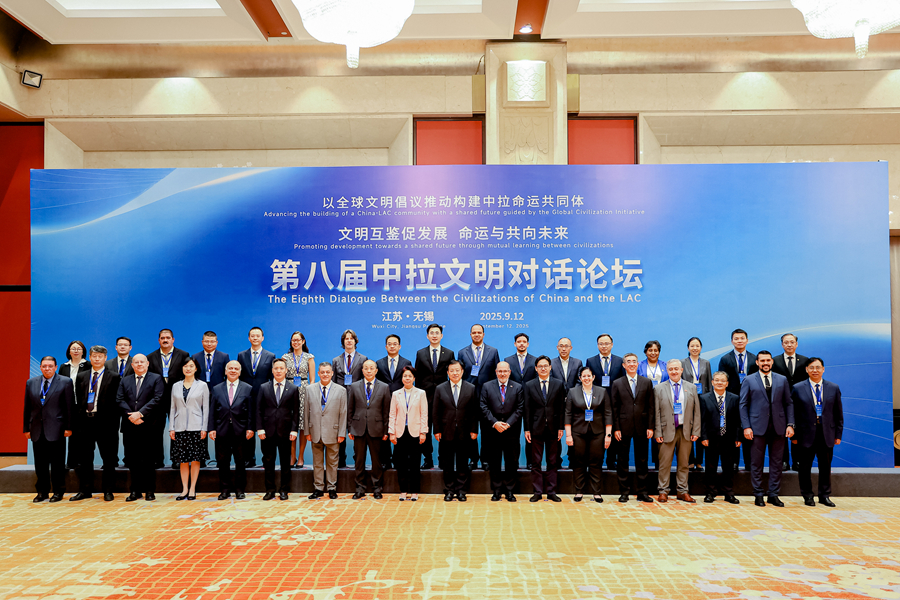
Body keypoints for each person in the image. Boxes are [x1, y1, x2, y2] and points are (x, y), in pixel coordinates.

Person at [739, 350, 794, 507]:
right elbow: (743, 405)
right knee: (756, 463)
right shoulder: (749, 380)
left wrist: (790, 424)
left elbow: (788, 403)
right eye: (762, 361)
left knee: (777, 463)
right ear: (757, 363)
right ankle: (758, 494)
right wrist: (746, 426)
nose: (765, 363)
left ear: (772, 362)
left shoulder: (782, 379)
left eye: (768, 360)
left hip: (779, 427)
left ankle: (773, 494)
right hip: (756, 428)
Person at [71, 345, 121, 502]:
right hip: (85, 422)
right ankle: (85, 490)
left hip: (106, 423)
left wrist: (113, 423)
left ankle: (108, 490)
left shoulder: (114, 376)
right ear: (90, 358)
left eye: (100, 356)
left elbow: (117, 402)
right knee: (85, 459)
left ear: (105, 358)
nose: (97, 359)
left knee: (108, 459)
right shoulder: (82, 376)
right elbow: (79, 400)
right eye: (94, 356)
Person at [791, 357, 842, 507]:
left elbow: (838, 413)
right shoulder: (798, 388)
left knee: (825, 467)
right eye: (812, 368)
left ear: (823, 369)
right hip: (805, 434)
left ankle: (824, 496)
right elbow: (793, 413)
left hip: (826, 434)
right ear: (806, 369)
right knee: (804, 467)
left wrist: (838, 434)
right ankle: (807, 496)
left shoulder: (833, 388)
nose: (815, 370)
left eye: (818, 367)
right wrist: (794, 435)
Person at [24, 356, 74, 502]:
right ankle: (42, 492)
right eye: (44, 366)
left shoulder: (65, 382)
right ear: (40, 367)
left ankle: (58, 491)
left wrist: (69, 427)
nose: (47, 369)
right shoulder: (31, 382)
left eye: (50, 366)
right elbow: (27, 407)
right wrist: (26, 428)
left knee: (58, 464)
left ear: (56, 367)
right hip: (37, 429)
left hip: (57, 429)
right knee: (40, 464)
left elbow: (69, 406)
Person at [116, 354, 164, 501]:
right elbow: (119, 399)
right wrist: (132, 416)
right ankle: (135, 491)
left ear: (147, 363)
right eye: (136, 362)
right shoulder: (125, 380)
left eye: (142, 362)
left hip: (149, 425)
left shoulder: (156, 378)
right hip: (130, 425)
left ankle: (149, 491)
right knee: (132, 460)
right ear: (132, 365)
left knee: (149, 460)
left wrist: (140, 414)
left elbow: (157, 399)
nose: (139, 364)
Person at [654, 359, 701, 503]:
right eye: (671, 369)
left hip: (685, 430)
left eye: (676, 369)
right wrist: (657, 432)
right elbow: (656, 412)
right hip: (666, 430)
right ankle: (663, 491)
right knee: (664, 463)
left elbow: (696, 411)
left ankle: (682, 491)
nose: (673, 371)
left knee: (684, 463)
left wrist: (696, 431)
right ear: (667, 371)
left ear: (681, 370)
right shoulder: (659, 388)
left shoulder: (691, 387)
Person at [610, 353, 655, 503]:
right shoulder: (617, 383)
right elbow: (614, 408)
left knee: (642, 460)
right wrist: (616, 428)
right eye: (628, 362)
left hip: (642, 426)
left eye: (634, 361)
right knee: (622, 460)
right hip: (623, 427)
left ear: (638, 364)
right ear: (624, 365)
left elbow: (651, 406)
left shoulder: (646, 382)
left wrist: (650, 426)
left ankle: (642, 492)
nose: (631, 364)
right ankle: (624, 492)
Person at [565, 366, 612, 503]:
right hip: (578, 432)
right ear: (580, 378)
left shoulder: (602, 391)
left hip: (598, 433)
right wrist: (568, 435)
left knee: (596, 462)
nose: (586, 378)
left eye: (589, 376)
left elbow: (608, 413)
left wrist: (608, 435)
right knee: (578, 461)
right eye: (583, 376)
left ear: (593, 377)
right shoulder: (573, 392)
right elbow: (568, 414)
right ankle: (579, 491)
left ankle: (597, 492)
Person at [433, 360, 478, 501]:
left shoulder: (470, 388)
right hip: (446, 431)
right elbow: (436, 411)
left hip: (465, 431)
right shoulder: (440, 388)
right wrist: (437, 430)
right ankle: (449, 490)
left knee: (462, 462)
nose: (455, 373)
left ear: (462, 371)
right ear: (447, 373)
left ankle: (461, 490)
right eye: (451, 370)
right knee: (447, 463)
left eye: (457, 370)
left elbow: (474, 412)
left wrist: (474, 429)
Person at [208, 360, 254, 500]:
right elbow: (212, 410)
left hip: (240, 430)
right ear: (225, 371)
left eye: (236, 369)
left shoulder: (247, 388)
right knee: (223, 461)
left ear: (240, 372)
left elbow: (250, 411)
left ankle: (239, 490)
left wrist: (250, 428)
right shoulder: (216, 389)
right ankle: (225, 490)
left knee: (240, 461)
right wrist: (211, 428)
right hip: (221, 430)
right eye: (230, 368)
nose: (233, 371)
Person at [457, 324, 500, 470]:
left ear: (483, 334)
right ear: (470, 334)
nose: (477, 334)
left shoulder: (493, 351)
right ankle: (473, 459)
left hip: (488, 397)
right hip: (469, 397)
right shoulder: (462, 352)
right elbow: (460, 375)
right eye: (474, 332)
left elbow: (496, 374)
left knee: (487, 430)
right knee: (470, 430)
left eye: (479, 332)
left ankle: (485, 459)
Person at [481, 361, 524, 502]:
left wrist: (508, 424)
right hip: (493, 431)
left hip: (511, 431)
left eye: (505, 371)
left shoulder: (517, 387)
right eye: (500, 371)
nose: (502, 373)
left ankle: (510, 491)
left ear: (509, 372)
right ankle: (497, 490)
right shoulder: (487, 386)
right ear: (496, 372)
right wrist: (495, 423)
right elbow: (483, 406)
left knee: (511, 462)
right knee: (495, 462)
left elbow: (520, 408)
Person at [523, 355, 565, 502]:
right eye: (540, 366)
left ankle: (552, 492)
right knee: (536, 462)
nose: (543, 368)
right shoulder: (529, 385)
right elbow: (527, 409)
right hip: (536, 428)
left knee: (552, 461)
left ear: (550, 367)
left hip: (554, 428)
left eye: (545, 366)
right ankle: (537, 492)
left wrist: (561, 427)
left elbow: (561, 408)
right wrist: (527, 429)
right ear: (536, 368)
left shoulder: (558, 384)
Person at [257, 358, 300, 500]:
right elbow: (259, 410)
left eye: (281, 368)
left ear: (286, 370)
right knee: (268, 461)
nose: (279, 371)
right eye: (276, 368)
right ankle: (270, 490)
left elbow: (296, 412)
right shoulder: (264, 387)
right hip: (267, 431)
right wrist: (260, 428)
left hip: (286, 431)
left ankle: (284, 490)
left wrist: (294, 430)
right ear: (272, 370)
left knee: (285, 462)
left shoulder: (293, 388)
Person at [347, 360, 391, 499]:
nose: (369, 371)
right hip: (358, 428)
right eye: (366, 368)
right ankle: (360, 488)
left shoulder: (384, 387)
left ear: (376, 371)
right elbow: (350, 409)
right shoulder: (354, 386)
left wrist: (385, 431)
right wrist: (350, 428)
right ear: (362, 370)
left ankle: (377, 488)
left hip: (377, 429)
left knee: (376, 461)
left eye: (371, 368)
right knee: (359, 460)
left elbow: (386, 411)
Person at [147, 329, 190, 468]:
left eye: (168, 337)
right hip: (157, 399)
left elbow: (186, 375)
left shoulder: (183, 355)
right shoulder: (151, 357)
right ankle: (157, 459)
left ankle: (176, 459)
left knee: (177, 429)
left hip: (177, 398)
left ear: (173, 339)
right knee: (156, 430)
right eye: (162, 338)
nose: (165, 340)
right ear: (159, 340)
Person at [414, 323, 453, 469]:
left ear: (441, 336)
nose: (434, 335)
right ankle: (428, 459)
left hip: (444, 398)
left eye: (437, 333)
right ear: (427, 336)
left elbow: (451, 375)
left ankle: (443, 459)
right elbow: (417, 377)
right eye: (432, 333)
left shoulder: (449, 353)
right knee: (426, 429)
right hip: (426, 398)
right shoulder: (420, 353)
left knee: (444, 429)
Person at [169, 358, 210, 501]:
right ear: (182, 368)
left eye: (191, 366)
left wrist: (204, 428)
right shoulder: (176, 386)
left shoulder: (202, 385)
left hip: (196, 426)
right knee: (183, 460)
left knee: (195, 459)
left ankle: (192, 488)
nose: (188, 368)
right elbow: (172, 408)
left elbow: (206, 408)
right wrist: (171, 428)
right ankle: (184, 489)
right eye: (185, 366)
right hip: (179, 427)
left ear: (196, 368)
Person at [717, 328, 757, 472]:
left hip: (751, 399)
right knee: (733, 430)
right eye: (736, 338)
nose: (739, 341)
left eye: (742, 338)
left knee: (748, 430)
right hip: (731, 399)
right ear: (732, 341)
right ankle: (733, 461)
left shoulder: (754, 358)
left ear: (747, 340)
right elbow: (722, 380)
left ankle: (749, 462)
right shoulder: (725, 359)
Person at [698, 371, 741, 504]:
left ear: (727, 383)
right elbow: (702, 420)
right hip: (711, 438)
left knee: (728, 467)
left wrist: (738, 437)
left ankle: (729, 493)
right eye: (716, 380)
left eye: (722, 380)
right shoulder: (704, 398)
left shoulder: (734, 398)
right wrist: (704, 437)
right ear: (712, 382)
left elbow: (738, 420)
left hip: (729, 438)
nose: (719, 383)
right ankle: (710, 492)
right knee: (711, 467)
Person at [305, 362, 347, 499]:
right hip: (315, 432)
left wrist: (341, 433)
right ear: (318, 373)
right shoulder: (309, 389)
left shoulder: (341, 390)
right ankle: (318, 488)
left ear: (332, 373)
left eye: (327, 372)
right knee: (317, 463)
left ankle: (331, 488)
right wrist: (307, 431)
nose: (325, 374)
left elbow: (343, 413)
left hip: (333, 432)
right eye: (322, 372)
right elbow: (306, 412)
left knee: (332, 463)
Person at [238, 326, 276, 468]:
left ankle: (266, 459)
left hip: (264, 398)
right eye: (252, 336)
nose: (255, 338)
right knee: (248, 428)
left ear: (262, 338)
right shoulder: (241, 355)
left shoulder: (270, 356)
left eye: (257, 335)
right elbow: (239, 377)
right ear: (249, 338)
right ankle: (249, 458)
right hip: (245, 398)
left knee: (263, 429)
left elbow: (272, 378)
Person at [389, 366, 428, 501]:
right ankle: (403, 491)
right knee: (401, 464)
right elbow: (392, 414)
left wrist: (423, 432)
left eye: (410, 376)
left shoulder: (421, 393)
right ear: (402, 378)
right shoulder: (396, 394)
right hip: (400, 432)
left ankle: (415, 491)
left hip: (415, 432)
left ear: (414, 378)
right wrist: (391, 432)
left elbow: (424, 414)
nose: (407, 378)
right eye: (405, 376)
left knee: (415, 463)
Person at [585, 334, 623, 471]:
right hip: (596, 402)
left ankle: (611, 461)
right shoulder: (590, 361)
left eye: (607, 343)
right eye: (601, 343)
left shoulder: (620, 361)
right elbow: (588, 381)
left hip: (614, 401)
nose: (604, 346)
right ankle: (596, 461)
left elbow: (622, 381)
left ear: (612, 344)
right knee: (597, 431)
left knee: (613, 430)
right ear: (597, 345)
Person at [772, 333, 809, 472]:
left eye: (792, 342)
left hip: (800, 401)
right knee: (781, 432)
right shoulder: (775, 361)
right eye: (786, 342)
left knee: (798, 432)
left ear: (796, 344)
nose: (789, 344)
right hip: (780, 401)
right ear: (782, 344)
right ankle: (784, 461)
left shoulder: (805, 360)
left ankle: (797, 460)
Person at [193, 331, 229, 467]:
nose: (209, 343)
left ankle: (220, 460)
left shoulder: (224, 356)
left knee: (218, 429)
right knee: (201, 428)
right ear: (202, 342)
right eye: (206, 341)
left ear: (217, 342)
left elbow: (226, 377)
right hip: (199, 397)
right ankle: (201, 459)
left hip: (219, 397)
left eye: (212, 341)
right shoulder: (195, 357)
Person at [332, 329, 367, 469]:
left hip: (357, 400)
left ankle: (357, 459)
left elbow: (365, 380)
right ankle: (341, 460)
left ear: (355, 341)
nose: (349, 341)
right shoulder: (336, 360)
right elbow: (333, 382)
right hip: (340, 399)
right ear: (343, 341)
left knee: (357, 430)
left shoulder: (363, 359)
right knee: (340, 430)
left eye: (351, 338)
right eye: (346, 338)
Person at [375, 334, 410, 470]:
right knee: (385, 429)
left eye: (395, 344)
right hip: (383, 400)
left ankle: (398, 458)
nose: (392, 346)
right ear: (386, 346)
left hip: (401, 400)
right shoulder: (379, 363)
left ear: (399, 346)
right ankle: (385, 460)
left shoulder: (406, 362)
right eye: (389, 344)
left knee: (400, 429)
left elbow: (408, 380)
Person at [282, 331, 315, 469]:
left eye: (298, 340)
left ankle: (301, 456)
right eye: (293, 340)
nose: (295, 342)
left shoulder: (309, 357)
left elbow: (312, 380)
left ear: (303, 341)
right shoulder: (285, 357)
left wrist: (310, 394)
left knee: (302, 425)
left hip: (304, 391)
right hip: (289, 391)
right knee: (291, 424)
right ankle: (292, 456)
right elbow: (282, 376)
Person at [682, 337, 712, 472]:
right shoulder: (682, 362)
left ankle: (699, 461)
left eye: (697, 346)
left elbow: (709, 383)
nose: (695, 348)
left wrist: (710, 399)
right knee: (688, 429)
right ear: (688, 348)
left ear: (701, 348)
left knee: (701, 428)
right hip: (687, 399)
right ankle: (690, 460)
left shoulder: (706, 363)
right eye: (692, 346)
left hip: (703, 398)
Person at [59, 340, 87, 469]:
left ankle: (81, 461)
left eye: (78, 348)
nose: (76, 351)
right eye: (73, 348)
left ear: (83, 351)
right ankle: (71, 462)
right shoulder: (63, 367)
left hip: (83, 405)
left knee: (81, 434)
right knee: (69, 433)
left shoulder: (88, 365)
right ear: (69, 352)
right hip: (67, 405)